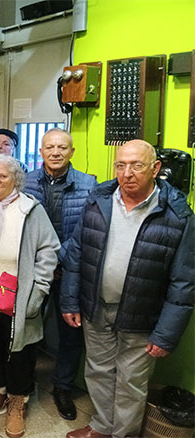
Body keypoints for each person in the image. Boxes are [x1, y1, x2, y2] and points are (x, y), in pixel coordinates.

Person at [61, 140, 195, 438]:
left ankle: (123, 434)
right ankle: (102, 427)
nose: (127, 173)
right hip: (96, 307)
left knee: (131, 381)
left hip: (141, 314)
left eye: (136, 165)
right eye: (120, 165)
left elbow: (183, 282)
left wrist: (166, 333)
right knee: (98, 372)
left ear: (155, 168)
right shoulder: (99, 201)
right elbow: (76, 254)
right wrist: (70, 301)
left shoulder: (177, 215)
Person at [0, 154, 59, 438]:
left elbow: (48, 249)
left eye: (3, 176)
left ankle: (18, 400)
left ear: (15, 179)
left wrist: (40, 289)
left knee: (20, 349)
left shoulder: (30, 209)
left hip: (20, 295)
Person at [23, 128, 97, 420]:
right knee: (27, 327)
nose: (56, 152)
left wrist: (56, 258)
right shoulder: (25, 181)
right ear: (40, 152)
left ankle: (62, 387)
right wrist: (43, 261)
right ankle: (23, 383)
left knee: (70, 333)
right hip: (32, 269)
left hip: (70, 271)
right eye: (50, 147)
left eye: (62, 147)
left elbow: (86, 231)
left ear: (72, 152)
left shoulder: (88, 185)